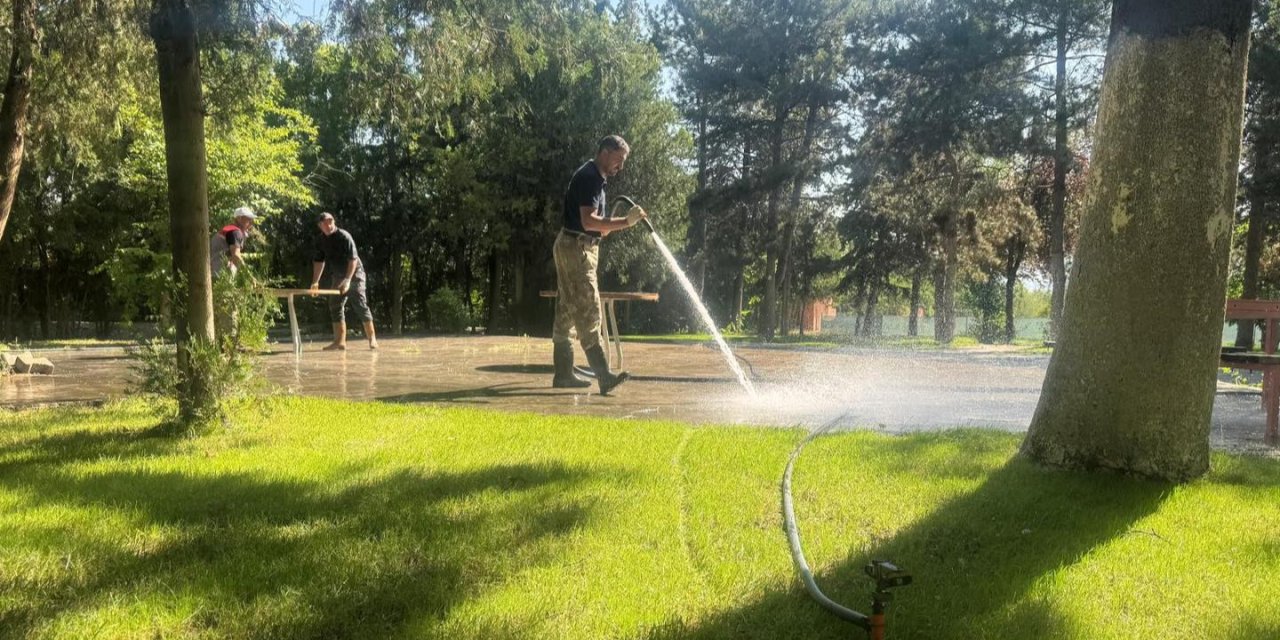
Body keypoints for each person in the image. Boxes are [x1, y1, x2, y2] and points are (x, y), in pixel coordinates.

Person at [551, 135, 648, 394]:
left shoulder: (598, 180)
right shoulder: (590, 177)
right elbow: (589, 222)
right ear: (605, 152)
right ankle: (604, 376)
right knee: (589, 308)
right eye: (619, 159)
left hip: (577, 246)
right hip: (576, 248)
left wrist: (622, 221)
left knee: (567, 310)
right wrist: (625, 222)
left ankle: (562, 374)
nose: (621, 166)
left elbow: (600, 230)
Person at [310, 212, 378, 351]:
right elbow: (319, 261)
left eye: (330, 221)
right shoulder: (320, 241)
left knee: (359, 304)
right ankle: (339, 341)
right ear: (320, 226)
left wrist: (348, 280)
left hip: (355, 274)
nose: (328, 225)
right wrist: (315, 281)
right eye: (325, 223)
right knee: (334, 305)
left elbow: (353, 259)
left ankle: (372, 340)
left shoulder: (344, 236)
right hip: (338, 275)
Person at [209, 206, 256, 278]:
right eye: (248, 219)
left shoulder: (228, 229)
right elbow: (236, 255)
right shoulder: (236, 232)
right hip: (220, 273)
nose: (251, 223)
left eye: (251, 220)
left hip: (211, 271)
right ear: (239, 218)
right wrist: (249, 276)